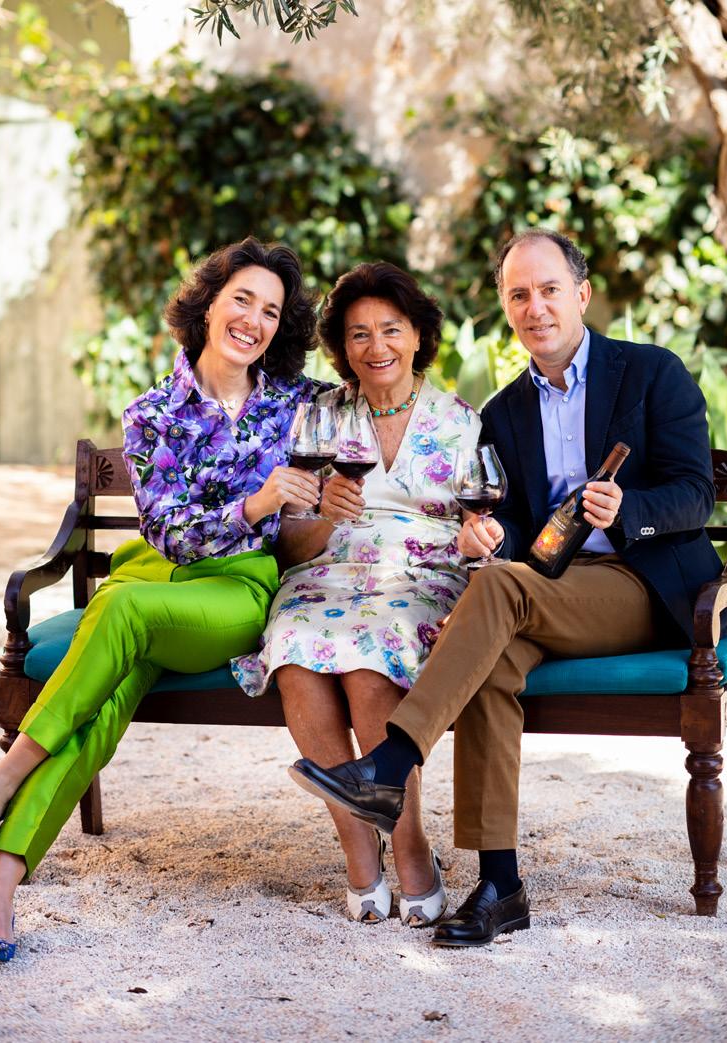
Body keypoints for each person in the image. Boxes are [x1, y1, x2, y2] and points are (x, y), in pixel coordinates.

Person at [287, 228, 727, 946]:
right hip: (553, 587)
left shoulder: (652, 373)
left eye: (549, 289)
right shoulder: (501, 412)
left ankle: (390, 764)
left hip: (645, 585)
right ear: (506, 307)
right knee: (492, 652)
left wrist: (630, 510)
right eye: (519, 294)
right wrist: (491, 536)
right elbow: (518, 523)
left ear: (581, 294)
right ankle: (500, 884)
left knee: (497, 592)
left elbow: (694, 492)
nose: (536, 307)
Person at [0, 237, 322, 964]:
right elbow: (170, 533)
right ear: (209, 305)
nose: (253, 320)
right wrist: (253, 502)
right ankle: (1, 881)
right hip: (150, 576)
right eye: (242, 300)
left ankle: (7, 770)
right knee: (105, 701)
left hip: (236, 589)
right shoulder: (153, 411)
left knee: (117, 614)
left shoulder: (299, 405)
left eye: (271, 311)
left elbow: (383, 396)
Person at [233, 262, 482, 925]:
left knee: (371, 664)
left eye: (391, 330)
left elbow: (481, 526)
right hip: (328, 572)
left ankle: (411, 847)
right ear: (341, 347)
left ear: (418, 335)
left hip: (419, 576)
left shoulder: (459, 421)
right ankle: (356, 846)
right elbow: (290, 546)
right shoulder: (320, 418)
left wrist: (478, 538)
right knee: (294, 650)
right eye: (358, 334)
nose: (376, 347)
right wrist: (322, 515)